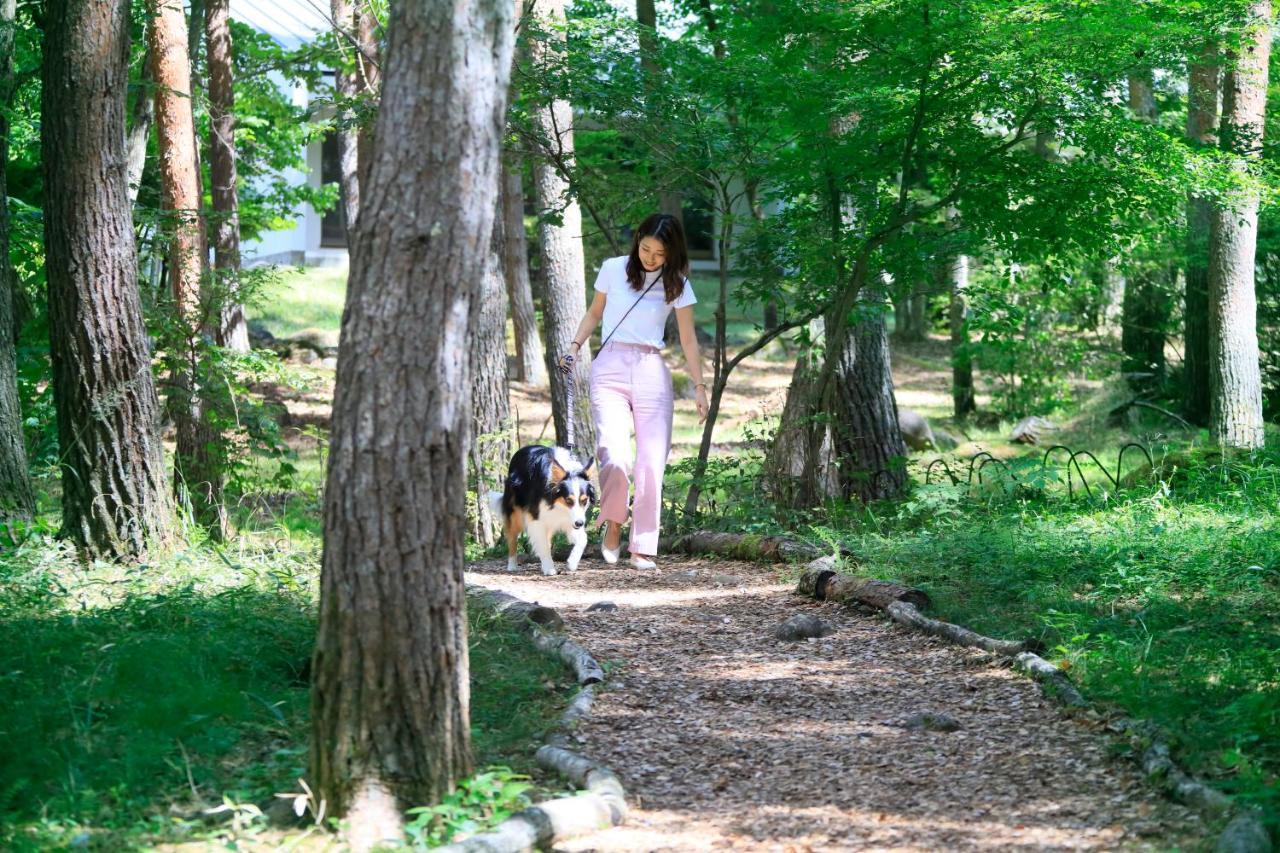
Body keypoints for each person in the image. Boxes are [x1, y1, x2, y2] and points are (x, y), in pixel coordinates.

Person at [559, 214, 709, 570]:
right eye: (645, 248)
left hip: (651, 369)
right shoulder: (613, 269)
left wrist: (700, 386)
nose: (651, 258)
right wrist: (574, 345)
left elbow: (688, 339)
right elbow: (595, 312)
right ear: (637, 239)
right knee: (613, 454)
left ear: (671, 253)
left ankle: (642, 546)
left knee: (651, 464)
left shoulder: (678, 285)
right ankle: (613, 524)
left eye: (659, 253)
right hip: (610, 366)